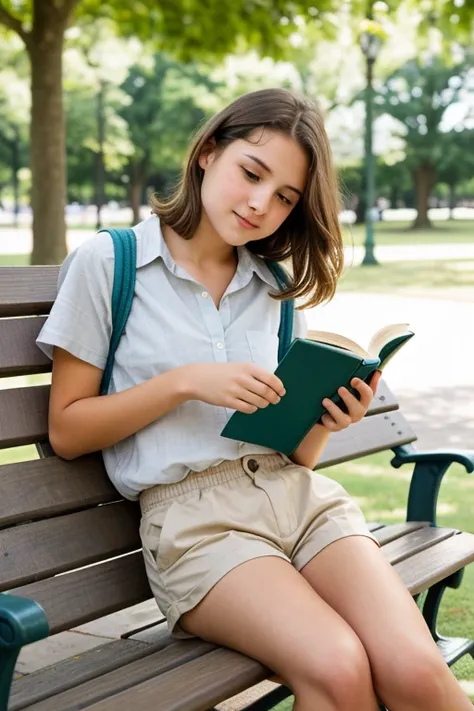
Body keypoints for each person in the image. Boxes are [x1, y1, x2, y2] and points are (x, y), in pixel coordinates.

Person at [37, 88, 471, 711]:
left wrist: (326, 419)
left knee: (415, 670)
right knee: (338, 666)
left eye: (285, 197)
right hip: (198, 526)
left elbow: (294, 459)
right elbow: (67, 430)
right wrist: (185, 382)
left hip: (300, 503)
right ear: (209, 152)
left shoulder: (271, 285)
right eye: (252, 173)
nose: (261, 204)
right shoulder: (111, 262)